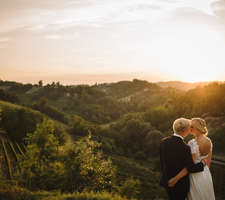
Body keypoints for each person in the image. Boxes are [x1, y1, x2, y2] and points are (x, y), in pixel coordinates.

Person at [168, 118, 215, 200]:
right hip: (206, 174)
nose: (189, 128)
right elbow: (208, 163)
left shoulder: (192, 143)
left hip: (194, 176)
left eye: (191, 126)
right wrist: (205, 176)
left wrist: (176, 179)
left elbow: (190, 166)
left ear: (197, 128)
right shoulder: (209, 141)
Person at [160, 118, 206, 200]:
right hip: (180, 184)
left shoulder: (164, 142)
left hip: (166, 180)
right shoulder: (185, 148)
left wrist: (167, 178)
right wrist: (202, 164)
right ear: (186, 130)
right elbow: (190, 167)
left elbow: (162, 162)